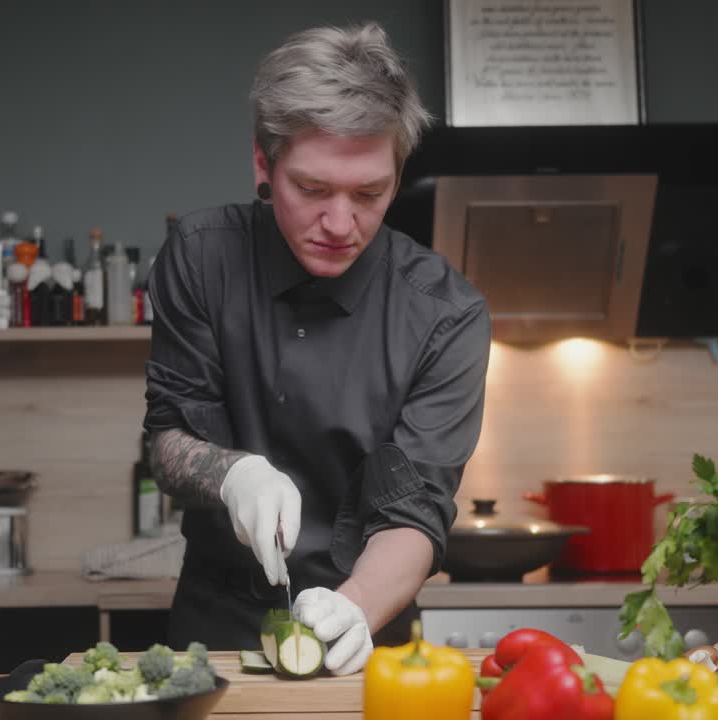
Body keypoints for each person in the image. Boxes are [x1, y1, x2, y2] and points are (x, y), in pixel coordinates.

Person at [143, 22, 490, 676]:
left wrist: (354, 605)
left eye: (369, 194)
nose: (340, 225)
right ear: (262, 164)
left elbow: (414, 513)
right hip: (213, 625)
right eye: (312, 189)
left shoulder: (446, 315)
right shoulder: (200, 256)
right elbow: (167, 442)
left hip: (366, 630)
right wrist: (232, 473)